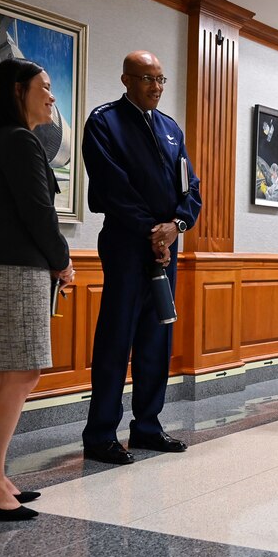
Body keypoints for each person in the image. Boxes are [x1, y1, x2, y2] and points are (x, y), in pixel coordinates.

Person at [81, 50, 202, 464]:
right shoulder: (104, 122)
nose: (156, 87)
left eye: (161, 79)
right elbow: (113, 189)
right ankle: (100, 434)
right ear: (126, 80)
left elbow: (191, 189)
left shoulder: (170, 129)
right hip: (127, 243)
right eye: (147, 78)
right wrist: (153, 232)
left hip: (167, 245)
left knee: (157, 337)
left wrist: (176, 227)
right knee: (117, 338)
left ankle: (147, 426)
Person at [0, 58, 74, 521]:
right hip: (17, 272)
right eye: (45, 87)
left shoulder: (2, 140)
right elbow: (39, 214)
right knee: (22, 373)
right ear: (18, 91)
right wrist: (64, 262)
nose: (52, 96)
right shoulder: (21, 142)